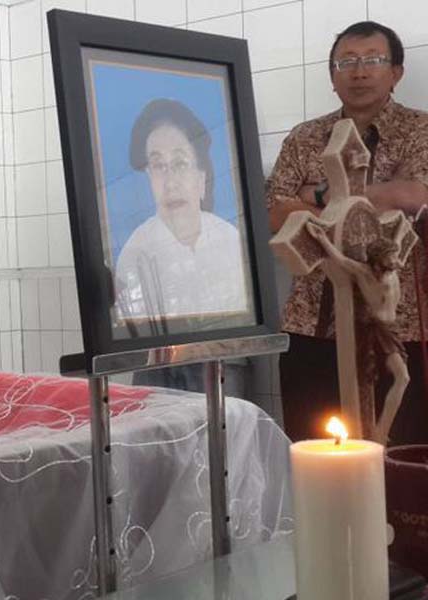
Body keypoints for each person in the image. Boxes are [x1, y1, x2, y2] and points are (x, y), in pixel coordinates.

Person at [266, 21, 428, 443]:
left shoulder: (421, 130)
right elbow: (277, 212)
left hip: (401, 328)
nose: (359, 72)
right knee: (315, 453)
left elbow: (414, 196)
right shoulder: (304, 138)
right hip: (313, 327)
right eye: (346, 62)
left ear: (396, 72)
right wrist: (377, 199)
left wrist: (319, 194)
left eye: (373, 60)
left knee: (401, 456)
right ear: (332, 76)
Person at [116, 98, 247, 321]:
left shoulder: (230, 240)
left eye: (180, 163)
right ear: (149, 178)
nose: (170, 183)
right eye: (159, 166)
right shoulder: (135, 254)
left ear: (201, 177)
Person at [306, 223, 409, 444]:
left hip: (392, 329)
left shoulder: (393, 267)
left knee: (402, 378)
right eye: (391, 257)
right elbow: (341, 261)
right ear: (379, 259)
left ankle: (381, 431)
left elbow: (397, 245)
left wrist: (401, 228)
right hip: (378, 330)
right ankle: (381, 433)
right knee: (402, 377)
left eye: (394, 256)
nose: (396, 260)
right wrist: (322, 238)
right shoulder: (365, 273)